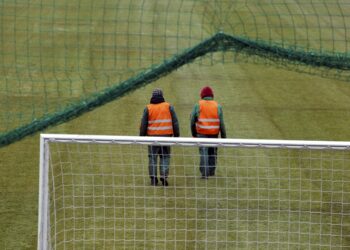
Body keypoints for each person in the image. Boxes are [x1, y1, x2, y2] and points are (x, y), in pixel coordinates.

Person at [140, 88, 180, 186]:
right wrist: (177, 135)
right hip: (166, 137)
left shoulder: (148, 108)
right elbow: (175, 122)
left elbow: (143, 124)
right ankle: (164, 177)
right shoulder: (168, 106)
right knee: (165, 157)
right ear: (162, 96)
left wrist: (141, 136)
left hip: (152, 138)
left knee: (152, 157)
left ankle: (153, 179)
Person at [190, 86, 226, 178]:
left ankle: (204, 173)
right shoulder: (217, 106)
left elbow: (192, 120)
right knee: (212, 152)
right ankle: (211, 171)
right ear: (212, 95)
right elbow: (221, 123)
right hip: (214, 133)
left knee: (203, 152)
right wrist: (224, 137)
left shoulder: (198, 105)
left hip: (201, 133)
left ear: (202, 95)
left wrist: (194, 133)